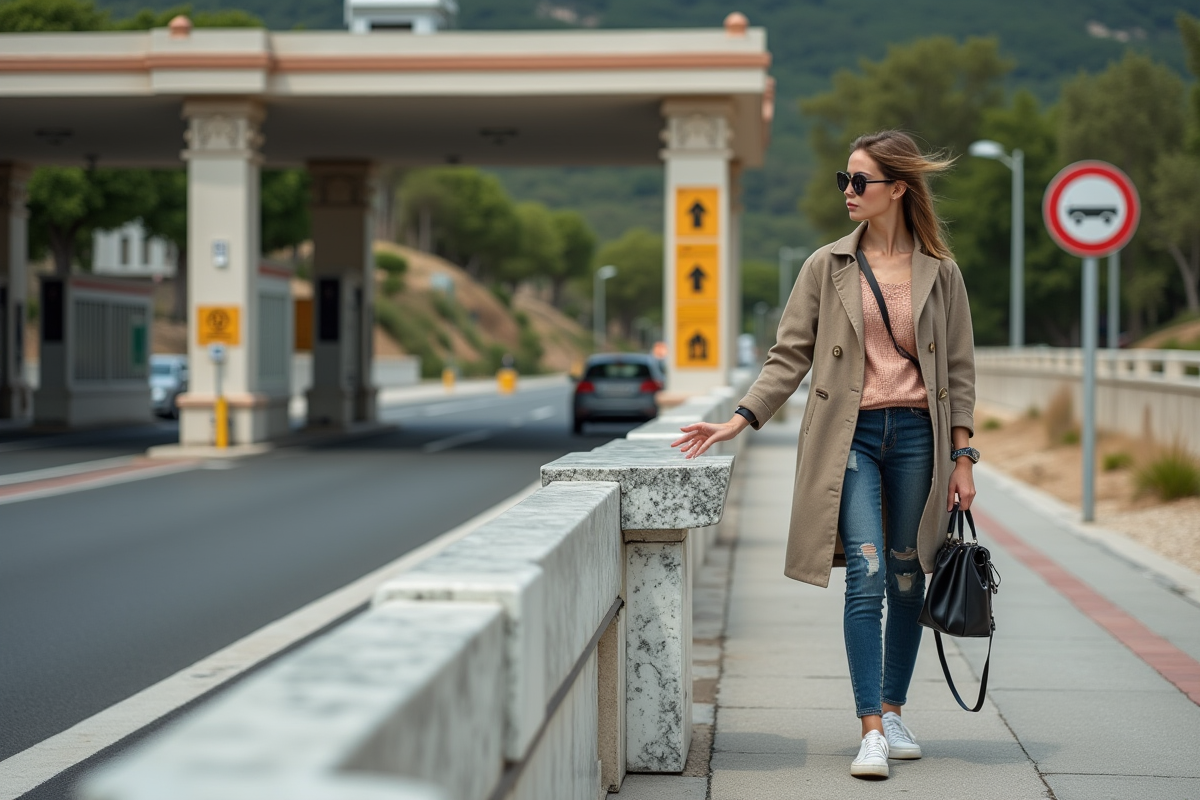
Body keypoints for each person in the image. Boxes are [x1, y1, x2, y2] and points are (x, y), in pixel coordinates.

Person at [671, 130, 978, 780]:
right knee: (866, 572)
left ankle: (894, 710)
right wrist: (739, 420)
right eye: (845, 179)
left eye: (860, 180)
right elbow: (788, 356)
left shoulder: (940, 272)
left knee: (907, 576)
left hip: (918, 437)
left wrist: (963, 459)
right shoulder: (826, 265)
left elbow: (958, 369)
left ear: (898, 189)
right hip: (850, 437)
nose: (848, 190)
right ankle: (871, 729)